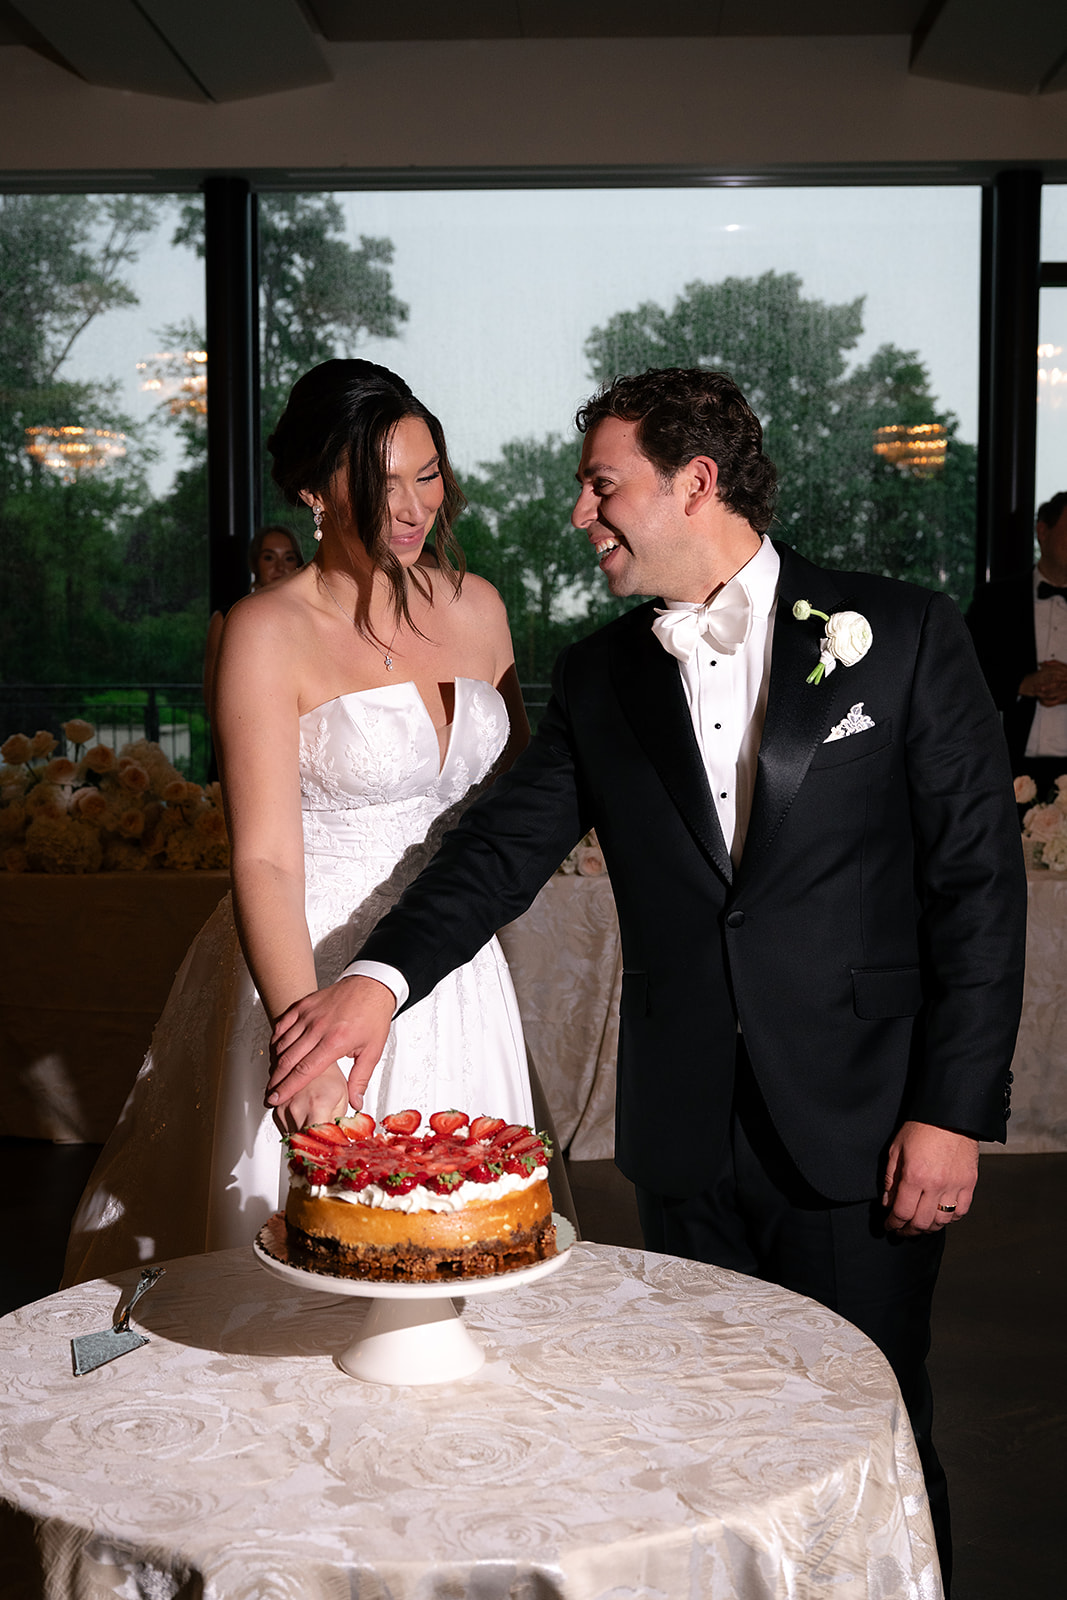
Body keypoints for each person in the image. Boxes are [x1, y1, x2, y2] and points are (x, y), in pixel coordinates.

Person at [266, 367, 1027, 1593]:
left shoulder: (904, 634)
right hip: (683, 1134)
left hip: (865, 1121)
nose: (581, 513)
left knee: (870, 1425)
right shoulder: (600, 676)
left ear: (695, 483)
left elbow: (978, 892)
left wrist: (948, 1112)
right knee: (705, 1439)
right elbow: (500, 853)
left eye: (601, 485)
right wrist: (378, 979)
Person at [63, 359, 536, 1286]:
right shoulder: (264, 630)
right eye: (379, 479)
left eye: (426, 473)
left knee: (462, 1242)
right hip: (307, 962)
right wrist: (301, 1043)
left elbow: (515, 808)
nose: (411, 506)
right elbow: (268, 860)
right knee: (311, 1256)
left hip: (451, 967)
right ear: (315, 489)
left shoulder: (480, 608)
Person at [967, 490, 1067, 797]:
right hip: (1007, 770)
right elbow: (962, 677)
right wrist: (1022, 684)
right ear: (1042, 532)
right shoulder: (994, 601)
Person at [202, 524, 305, 715]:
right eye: (269, 557)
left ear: (298, 564)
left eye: (288, 558)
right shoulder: (226, 619)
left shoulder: (309, 621)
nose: (280, 567)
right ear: (254, 563)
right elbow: (212, 700)